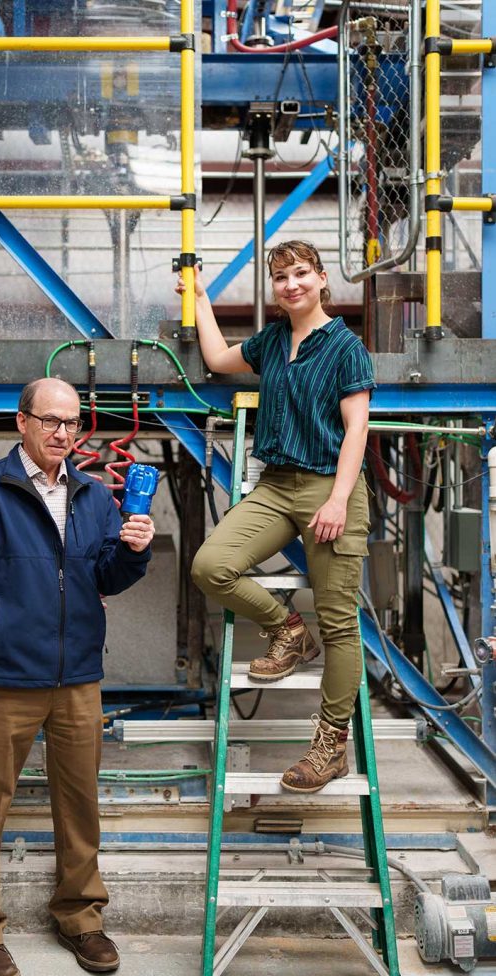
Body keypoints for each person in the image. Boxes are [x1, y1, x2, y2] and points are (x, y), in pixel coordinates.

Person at [0, 377, 155, 976]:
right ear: (21, 423)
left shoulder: (93, 495)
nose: (62, 433)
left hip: (78, 678)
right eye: (50, 421)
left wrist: (134, 549)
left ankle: (80, 917)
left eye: (72, 423)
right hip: (3, 679)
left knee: (80, 806)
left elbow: (105, 576)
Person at [179, 240, 374, 794]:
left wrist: (337, 500)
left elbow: (356, 429)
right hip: (276, 486)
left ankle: (329, 745)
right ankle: (288, 631)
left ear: (321, 279)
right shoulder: (271, 341)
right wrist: (199, 297)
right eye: (281, 277)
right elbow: (218, 361)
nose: (291, 284)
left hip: (328, 488)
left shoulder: (344, 348)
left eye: (301, 274)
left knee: (338, 624)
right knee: (210, 565)